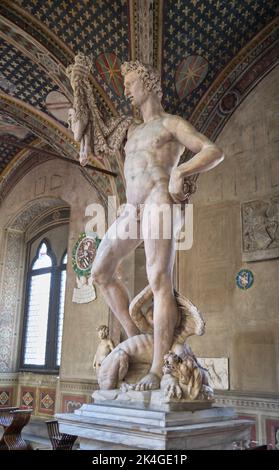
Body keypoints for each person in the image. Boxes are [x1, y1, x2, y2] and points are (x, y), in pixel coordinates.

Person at [90, 61, 224, 391]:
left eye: (132, 81)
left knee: (159, 278)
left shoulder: (171, 123)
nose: (126, 89)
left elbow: (213, 151)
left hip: (159, 199)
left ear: (149, 84)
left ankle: (157, 367)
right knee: (100, 273)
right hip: (131, 208)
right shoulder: (132, 131)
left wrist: (181, 172)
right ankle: (138, 342)